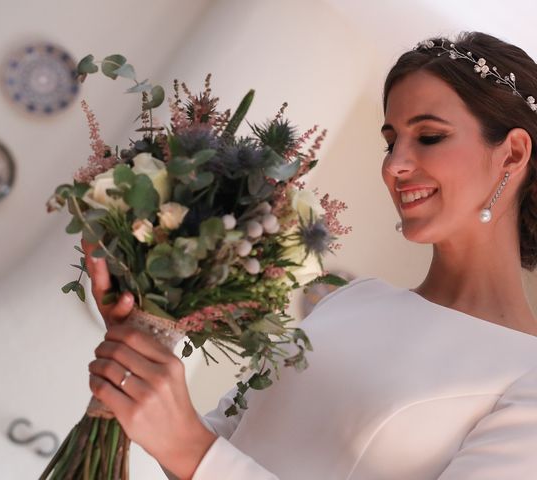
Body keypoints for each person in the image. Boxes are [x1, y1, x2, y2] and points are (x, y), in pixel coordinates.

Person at [83, 31, 537, 479]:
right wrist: (143, 338)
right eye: (390, 140)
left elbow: (198, 455)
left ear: (512, 154)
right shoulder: (352, 299)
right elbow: (215, 450)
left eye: (430, 136)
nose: (394, 164)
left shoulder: (526, 381)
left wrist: (188, 447)